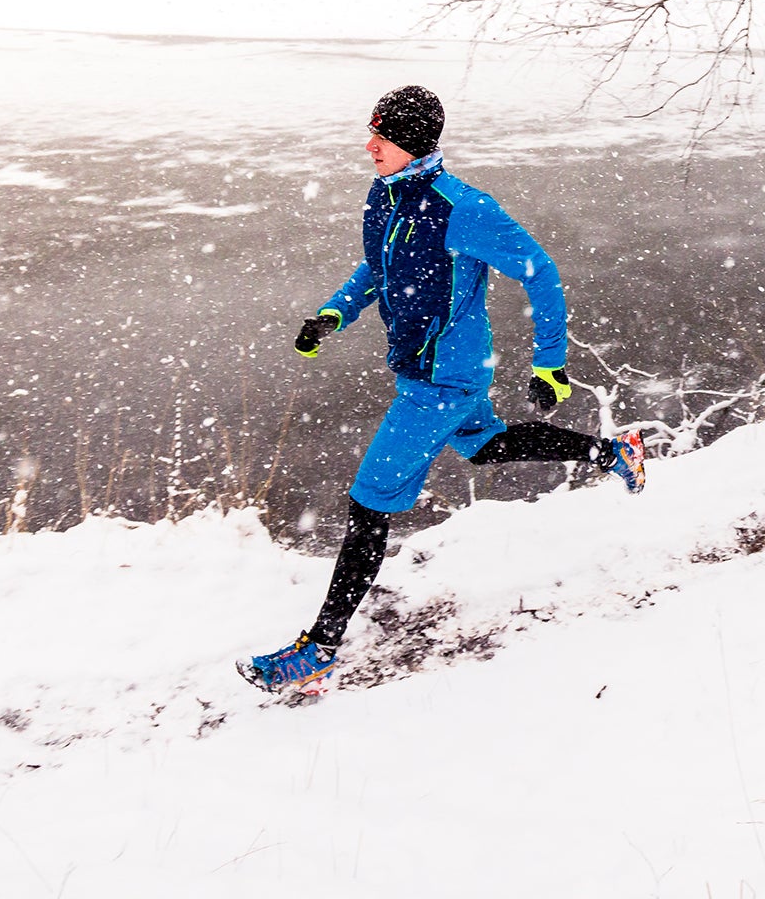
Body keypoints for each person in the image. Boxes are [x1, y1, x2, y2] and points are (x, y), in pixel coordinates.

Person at [237, 84, 645, 697]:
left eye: (384, 136)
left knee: (370, 503)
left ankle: (319, 650)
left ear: (415, 142)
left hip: (442, 380)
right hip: (428, 367)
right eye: (372, 133)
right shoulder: (385, 194)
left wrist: (549, 365)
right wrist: (335, 313)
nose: (370, 145)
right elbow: (378, 268)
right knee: (484, 447)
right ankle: (613, 452)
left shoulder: (463, 208)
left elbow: (541, 271)